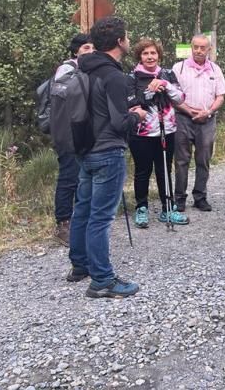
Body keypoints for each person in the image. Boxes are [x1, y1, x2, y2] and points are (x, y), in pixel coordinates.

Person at [67, 16, 146, 298]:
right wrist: (137, 115)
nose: (129, 40)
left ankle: (80, 266)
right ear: (119, 41)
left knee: (83, 210)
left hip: (85, 149)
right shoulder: (113, 76)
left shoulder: (83, 68)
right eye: (127, 36)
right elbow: (119, 122)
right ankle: (102, 279)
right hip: (108, 151)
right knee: (100, 217)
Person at [127, 38, 187, 227]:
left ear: (159, 55)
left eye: (153, 53)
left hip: (166, 130)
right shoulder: (131, 77)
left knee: (164, 170)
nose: (150, 57)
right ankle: (141, 208)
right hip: (141, 133)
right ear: (139, 56)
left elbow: (180, 98)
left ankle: (168, 208)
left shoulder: (167, 74)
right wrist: (149, 92)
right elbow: (131, 103)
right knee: (142, 171)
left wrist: (165, 85)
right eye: (145, 53)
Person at [173, 34, 225, 212]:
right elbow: (172, 96)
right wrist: (190, 111)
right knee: (181, 160)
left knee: (203, 160)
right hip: (183, 118)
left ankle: (200, 197)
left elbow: (221, 96)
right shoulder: (179, 68)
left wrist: (209, 112)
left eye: (202, 47)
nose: (198, 51)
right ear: (191, 47)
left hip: (207, 121)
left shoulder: (215, 69)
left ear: (209, 49)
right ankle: (179, 198)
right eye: (195, 47)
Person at [50, 33, 94, 246]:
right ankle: (63, 224)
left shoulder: (89, 70)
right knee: (68, 177)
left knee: (83, 178)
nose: (90, 52)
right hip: (67, 133)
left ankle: (80, 221)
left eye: (93, 48)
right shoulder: (66, 70)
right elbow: (68, 96)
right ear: (76, 51)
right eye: (86, 48)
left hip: (83, 132)